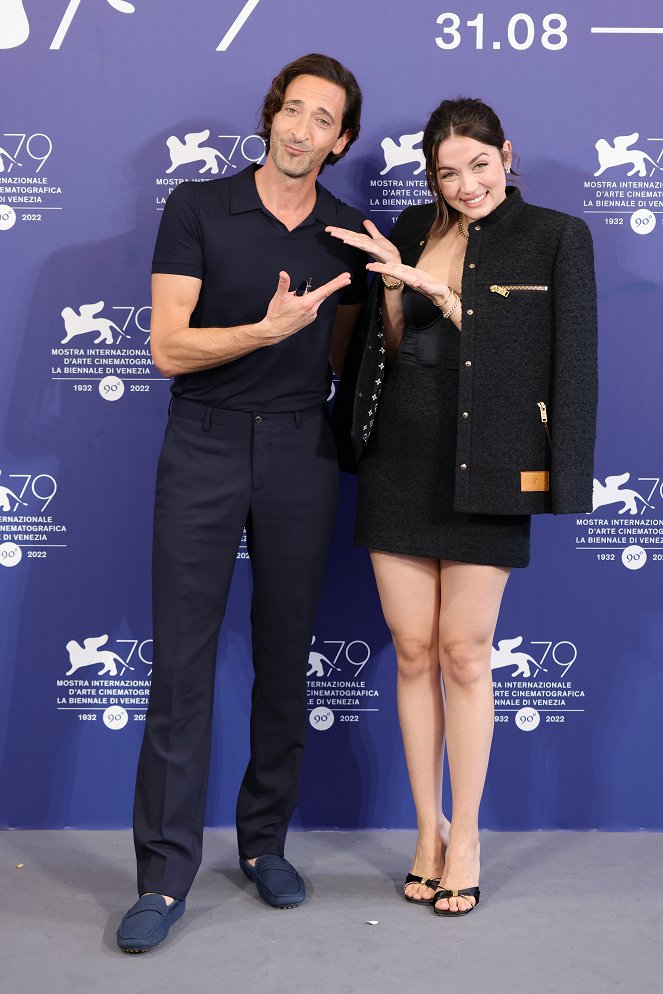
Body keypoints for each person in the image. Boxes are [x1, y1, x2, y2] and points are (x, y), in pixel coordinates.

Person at [116, 54, 367, 953]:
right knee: (180, 667)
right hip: (205, 441)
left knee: (285, 656)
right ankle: (163, 876)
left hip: (300, 447)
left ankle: (265, 845)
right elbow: (167, 350)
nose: (301, 129)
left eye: (322, 118)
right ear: (271, 119)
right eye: (290, 110)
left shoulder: (347, 235)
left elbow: (340, 354)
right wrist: (262, 331)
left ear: (340, 140)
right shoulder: (196, 208)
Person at [327, 97, 597, 916]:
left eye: (478, 164)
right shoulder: (409, 229)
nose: (466, 183)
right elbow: (396, 353)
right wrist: (394, 298)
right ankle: (426, 831)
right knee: (412, 652)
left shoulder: (555, 236)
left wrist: (564, 484)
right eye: (447, 171)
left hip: (491, 468)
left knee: (463, 655)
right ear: (430, 176)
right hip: (401, 460)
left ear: (505, 156)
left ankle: (469, 835)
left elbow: (572, 369)